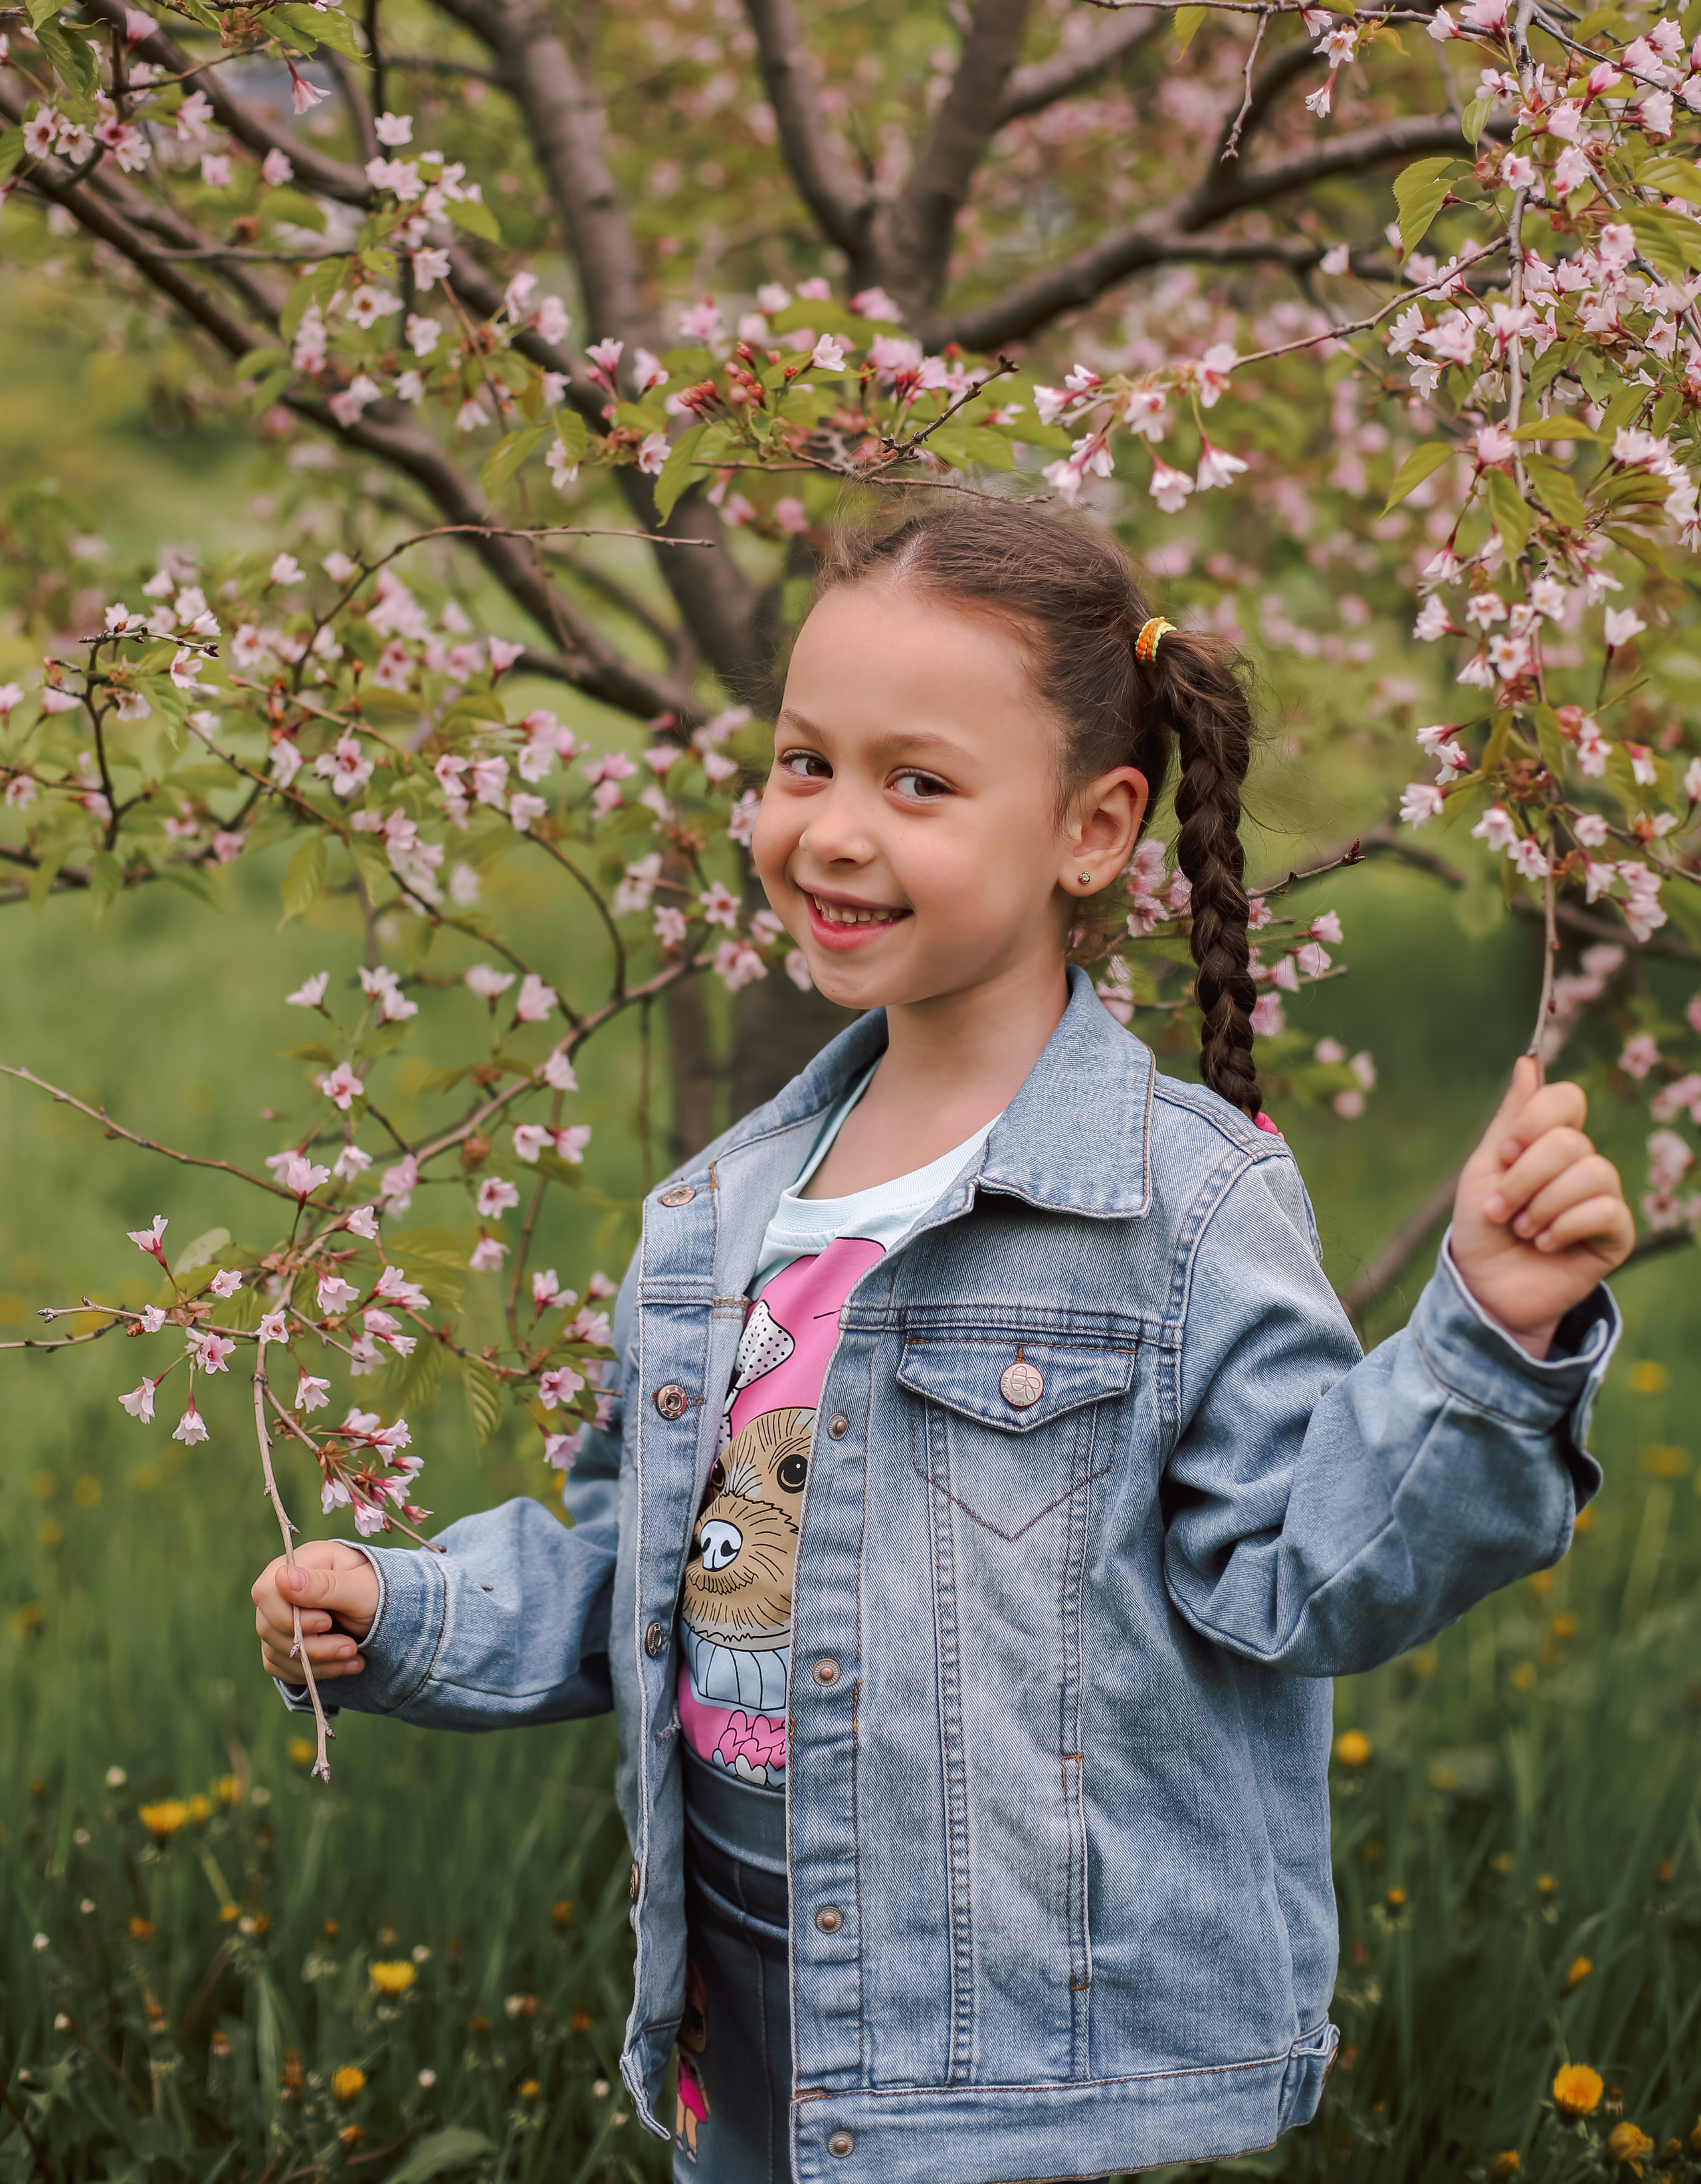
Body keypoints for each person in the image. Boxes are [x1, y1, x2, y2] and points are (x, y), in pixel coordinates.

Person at [252, 500, 1633, 2184]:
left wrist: (1488, 1334)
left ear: (1093, 827)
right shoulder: (726, 1203)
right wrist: (406, 1609)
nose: (830, 829)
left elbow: (1303, 1571)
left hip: (1021, 2047)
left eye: (916, 783)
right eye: (803, 761)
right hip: (744, 1996)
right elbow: (654, 1565)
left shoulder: (1176, 1207)